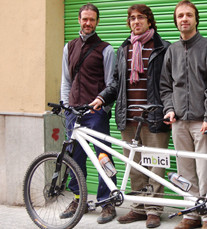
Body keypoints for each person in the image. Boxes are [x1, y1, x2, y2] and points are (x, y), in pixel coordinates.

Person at [160, 1, 207, 228]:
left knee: (204, 170)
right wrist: (169, 109)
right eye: (180, 16)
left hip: (202, 122)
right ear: (176, 21)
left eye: (188, 15)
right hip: (178, 122)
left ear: (196, 19)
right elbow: (166, 85)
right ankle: (191, 213)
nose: (184, 19)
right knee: (184, 169)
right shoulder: (172, 51)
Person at [59, 3, 118, 224]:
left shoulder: (106, 49)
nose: (88, 23)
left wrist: (104, 109)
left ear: (97, 22)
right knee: (75, 157)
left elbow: (111, 82)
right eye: (84, 19)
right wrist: (66, 106)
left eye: (92, 19)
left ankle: (107, 201)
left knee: (103, 156)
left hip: (96, 112)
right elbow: (66, 79)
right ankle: (78, 199)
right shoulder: (69, 47)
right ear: (79, 20)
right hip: (74, 112)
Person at [114, 4, 171, 228]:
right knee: (134, 164)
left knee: (156, 164)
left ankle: (154, 210)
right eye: (132, 18)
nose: (136, 22)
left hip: (154, 117)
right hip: (129, 118)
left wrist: (168, 108)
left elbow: (169, 83)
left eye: (140, 18)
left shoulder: (163, 47)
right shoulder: (124, 48)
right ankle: (138, 207)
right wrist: (101, 99)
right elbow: (116, 82)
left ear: (149, 21)